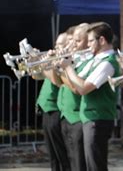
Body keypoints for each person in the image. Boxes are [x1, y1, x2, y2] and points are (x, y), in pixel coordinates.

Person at [60, 22, 120, 171]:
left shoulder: (108, 63)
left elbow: (83, 88)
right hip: (90, 118)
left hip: (98, 119)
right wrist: (65, 64)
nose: (89, 45)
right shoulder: (96, 60)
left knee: (95, 165)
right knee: (90, 164)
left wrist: (67, 67)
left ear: (102, 40)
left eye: (91, 41)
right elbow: (75, 82)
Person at [57, 23, 91, 171]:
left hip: (79, 116)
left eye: (77, 41)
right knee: (71, 161)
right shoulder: (75, 58)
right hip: (67, 115)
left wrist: (62, 68)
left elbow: (75, 88)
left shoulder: (87, 61)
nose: (73, 45)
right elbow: (58, 81)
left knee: (80, 163)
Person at [35, 32, 70, 171]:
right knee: (53, 155)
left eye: (60, 44)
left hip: (56, 108)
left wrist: (44, 64)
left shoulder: (65, 60)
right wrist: (36, 60)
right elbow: (35, 76)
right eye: (56, 44)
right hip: (46, 107)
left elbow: (56, 81)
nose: (55, 47)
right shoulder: (55, 60)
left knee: (61, 154)